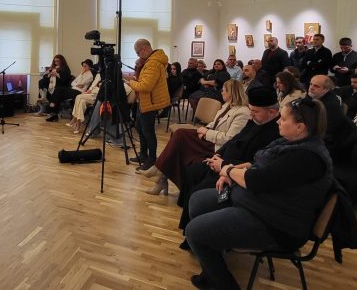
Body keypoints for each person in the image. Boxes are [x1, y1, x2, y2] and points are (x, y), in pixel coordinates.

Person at [185, 97, 333, 289]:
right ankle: (212, 266)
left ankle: (223, 284)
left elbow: (256, 181)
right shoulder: (293, 143)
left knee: (194, 232)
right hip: (259, 205)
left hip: (276, 224)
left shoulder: (307, 158)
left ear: (300, 127)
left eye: (284, 119)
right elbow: (259, 165)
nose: (278, 121)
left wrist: (227, 170)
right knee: (198, 201)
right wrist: (231, 172)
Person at [175, 86, 280, 248]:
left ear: (272, 112)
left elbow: (256, 163)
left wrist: (224, 166)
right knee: (193, 171)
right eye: (251, 110)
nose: (251, 114)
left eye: (255, 111)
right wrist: (218, 155)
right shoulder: (256, 120)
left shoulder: (275, 132)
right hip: (224, 162)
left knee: (199, 191)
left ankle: (198, 236)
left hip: (236, 172)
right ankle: (189, 227)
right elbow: (234, 140)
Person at [141, 80, 250, 195]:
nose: (221, 92)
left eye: (224, 90)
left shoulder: (242, 112)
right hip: (210, 138)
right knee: (179, 137)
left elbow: (229, 139)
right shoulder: (227, 105)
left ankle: (159, 170)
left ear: (231, 92)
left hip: (217, 146)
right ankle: (160, 177)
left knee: (180, 135)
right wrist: (205, 129)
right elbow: (215, 123)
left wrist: (206, 132)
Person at [125, 39, 170, 171]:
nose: (138, 56)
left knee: (148, 131)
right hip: (145, 100)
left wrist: (130, 82)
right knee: (139, 126)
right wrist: (138, 68)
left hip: (151, 101)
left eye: (138, 53)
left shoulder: (153, 63)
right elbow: (143, 80)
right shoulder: (149, 62)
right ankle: (143, 154)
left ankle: (151, 159)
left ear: (144, 49)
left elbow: (145, 86)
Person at [39, 54, 72, 122]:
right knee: (41, 81)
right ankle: (43, 95)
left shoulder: (65, 68)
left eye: (58, 61)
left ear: (61, 61)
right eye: (55, 61)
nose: (56, 62)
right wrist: (49, 74)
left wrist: (56, 74)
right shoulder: (53, 67)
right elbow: (45, 76)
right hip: (52, 85)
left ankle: (53, 114)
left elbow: (65, 79)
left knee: (56, 92)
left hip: (61, 86)